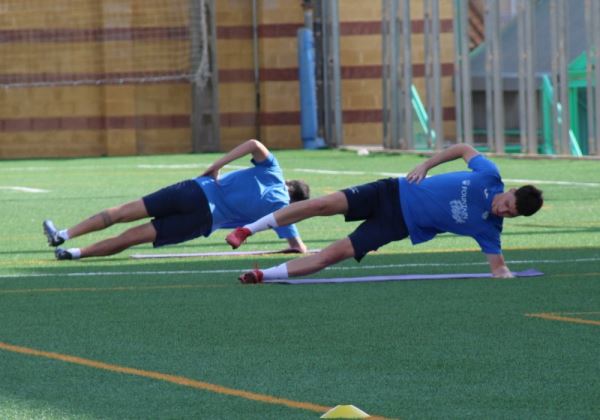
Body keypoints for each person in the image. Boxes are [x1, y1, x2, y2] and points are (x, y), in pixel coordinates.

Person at [226, 143, 543, 283]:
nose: (503, 210)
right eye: (507, 203)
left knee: (332, 255)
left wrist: (508, 276)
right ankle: (248, 230)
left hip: (398, 224)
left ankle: (261, 275)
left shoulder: (490, 228)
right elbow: (462, 149)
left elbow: (498, 268)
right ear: (510, 191)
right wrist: (426, 164)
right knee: (319, 205)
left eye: (510, 214)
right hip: (391, 191)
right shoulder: (489, 174)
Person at [43, 139, 309, 260]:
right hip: (202, 218)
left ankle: (64, 234)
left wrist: (216, 165)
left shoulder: (273, 171)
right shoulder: (284, 210)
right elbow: (299, 249)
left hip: (194, 189)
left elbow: (253, 144)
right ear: (296, 202)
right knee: (132, 236)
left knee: (124, 211)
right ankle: (74, 253)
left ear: (289, 182)